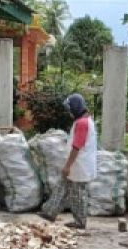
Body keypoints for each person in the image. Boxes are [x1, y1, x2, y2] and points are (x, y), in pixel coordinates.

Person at [39, 93, 96, 229]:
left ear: (76, 108)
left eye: (70, 109)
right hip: (78, 165)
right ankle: (49, 212)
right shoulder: (84, 121)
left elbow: (77, 146)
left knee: (78, 196)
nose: (69, 112)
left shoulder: (82, 124)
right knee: (62, 187)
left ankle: (80, 222)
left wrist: (68, 165)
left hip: (79, 165)